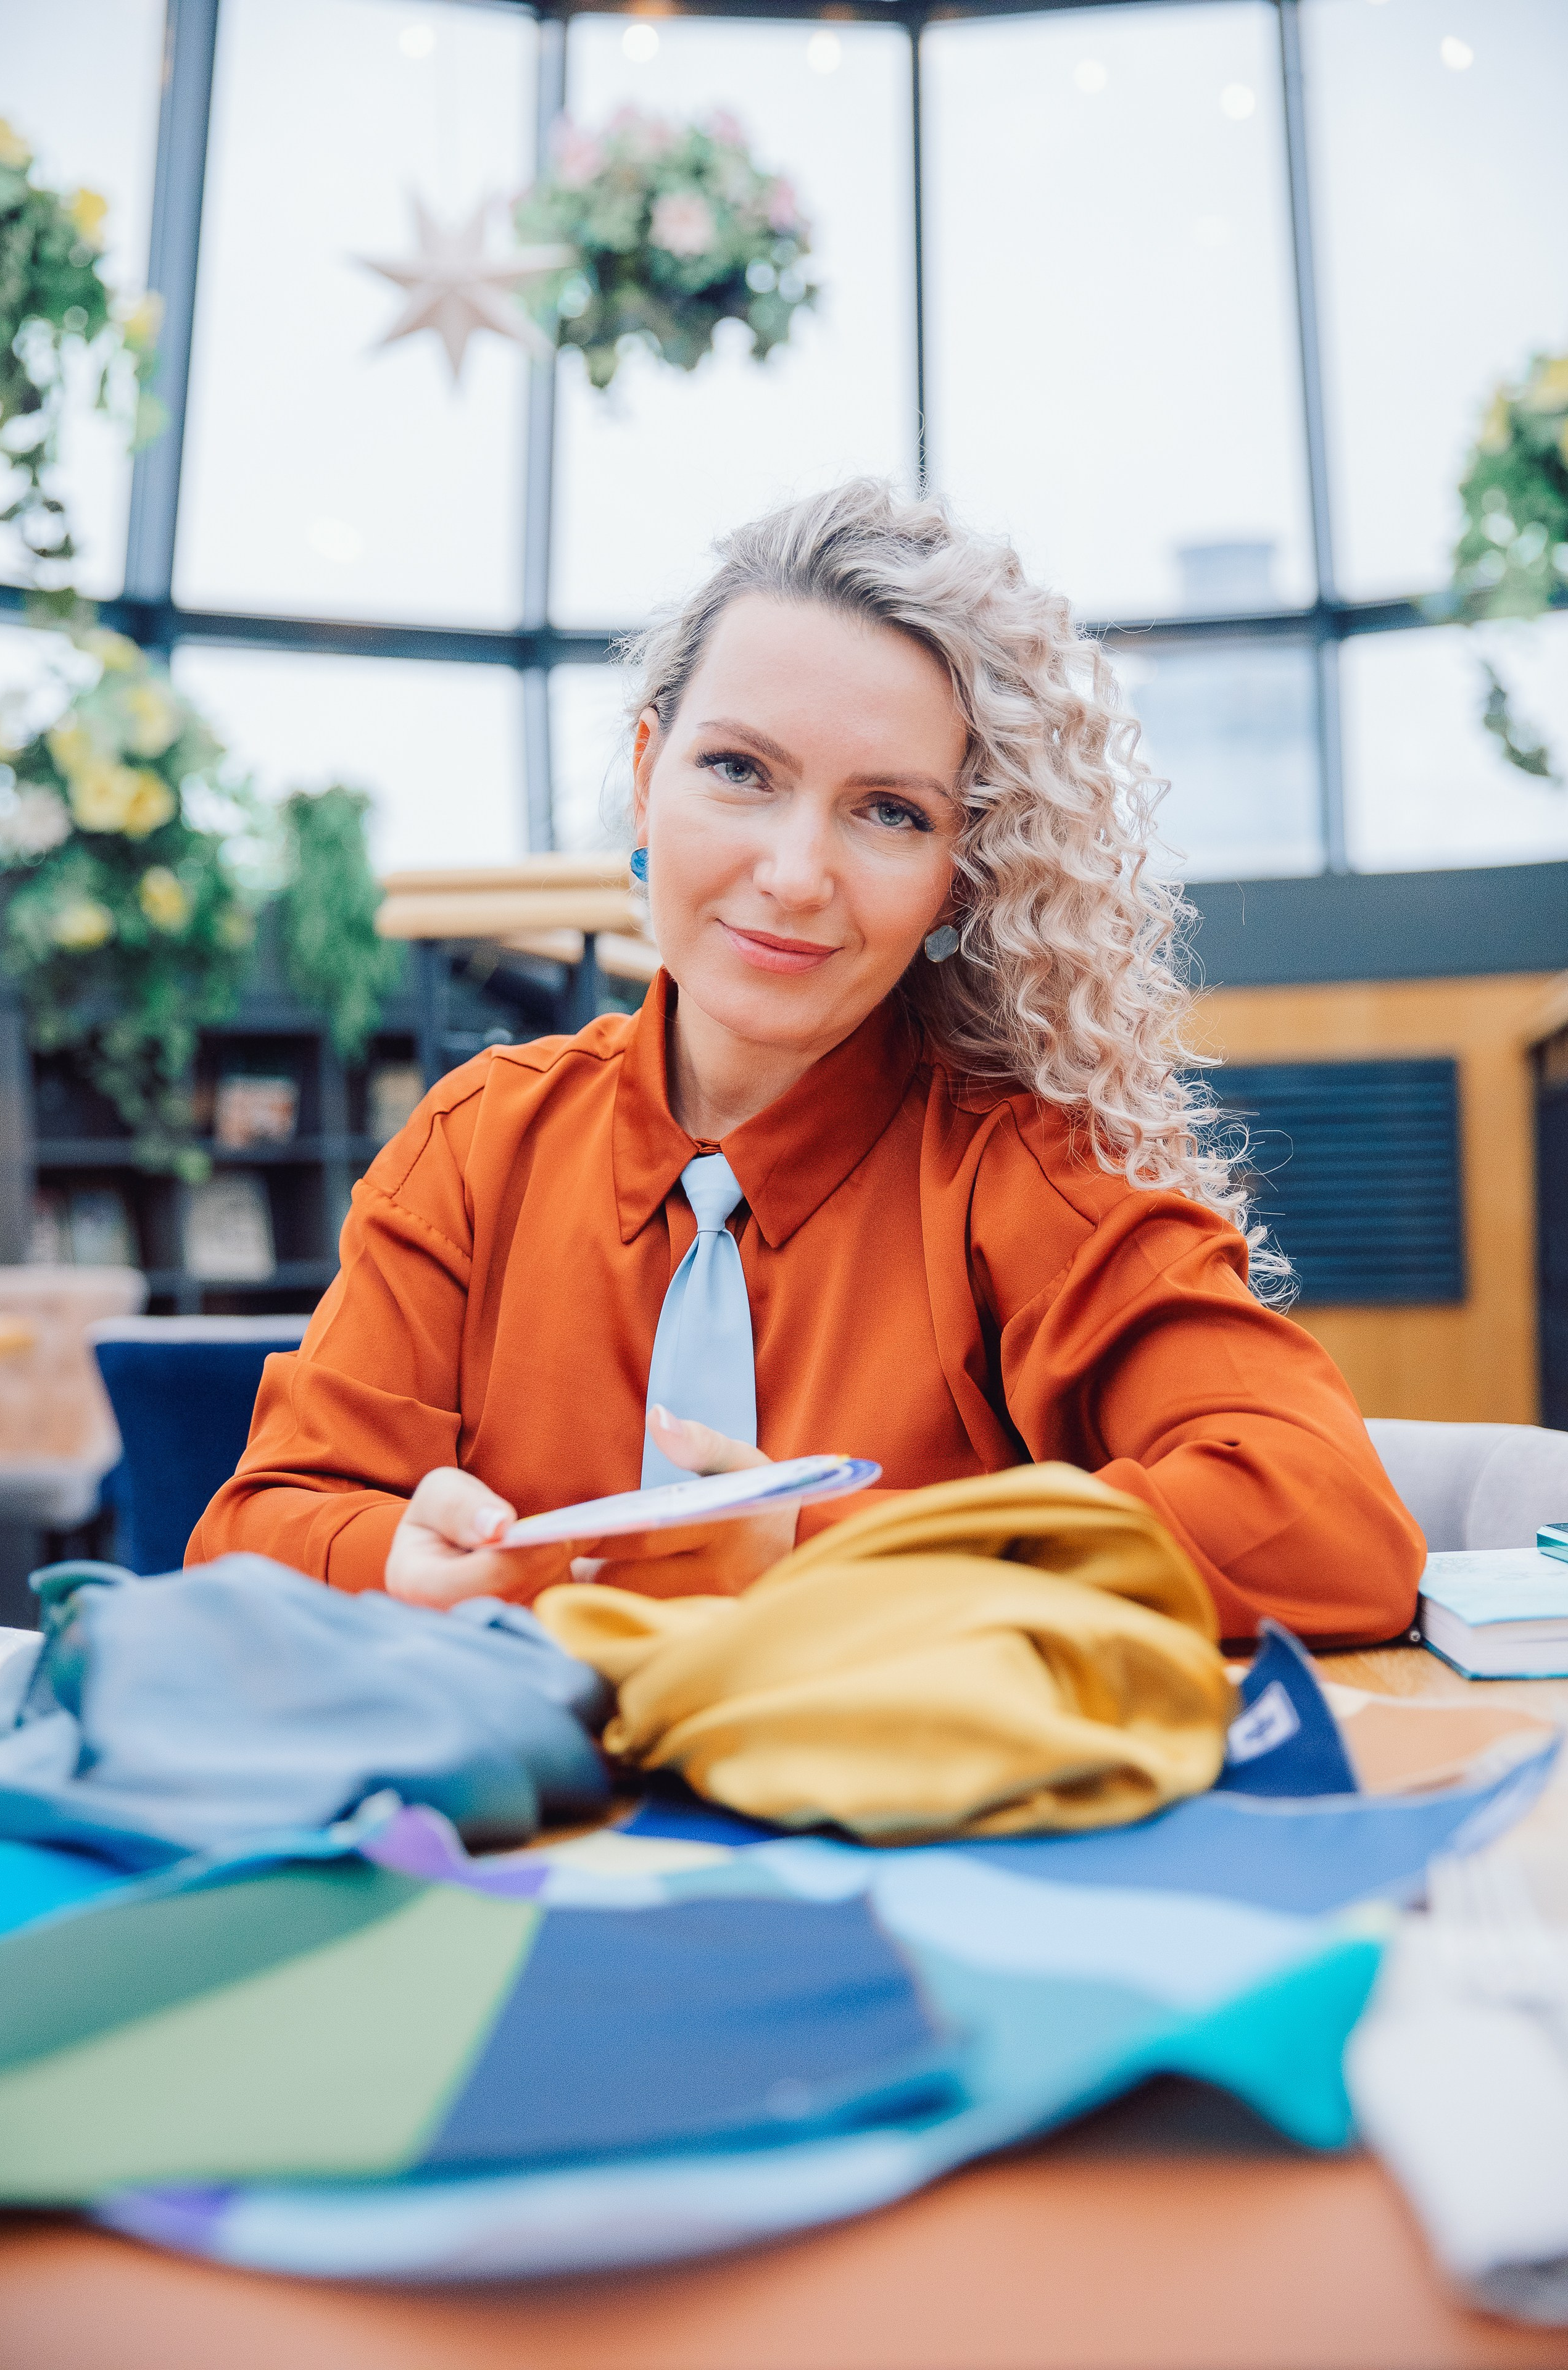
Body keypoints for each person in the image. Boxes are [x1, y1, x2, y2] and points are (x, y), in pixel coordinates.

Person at [188, 480, 1423, 1643]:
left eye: (889, 811)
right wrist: (396, 1562)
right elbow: (249, 1536)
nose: (791, 874)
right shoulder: (471, 1150)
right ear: (643, 773)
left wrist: (825, 1551)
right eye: (738, 771)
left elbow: (1325, 1523)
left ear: (958, 873)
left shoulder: (1027, 1176)